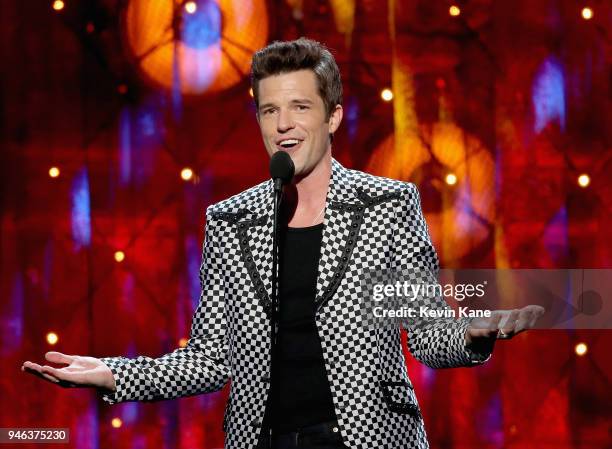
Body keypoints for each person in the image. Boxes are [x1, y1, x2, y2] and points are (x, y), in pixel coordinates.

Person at [23, 38, 544, 449]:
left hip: (364, 439)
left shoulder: (386, 207)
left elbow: (429, 339)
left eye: (299, 107)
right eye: (270, 111)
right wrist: (112, 374)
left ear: (332, 116)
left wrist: (474, 335)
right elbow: (211, 359)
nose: (284, 125)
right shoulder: (231, 220)